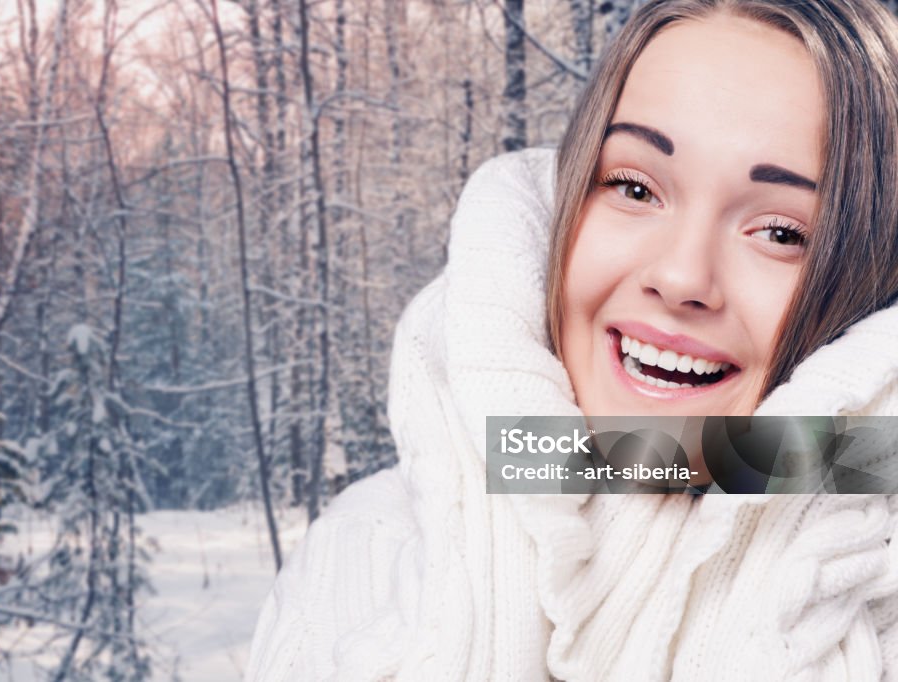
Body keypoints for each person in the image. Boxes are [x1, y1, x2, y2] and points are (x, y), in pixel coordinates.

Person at [247, 0, 898, 679]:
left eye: (783, 233)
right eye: (635, 187)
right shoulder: (358, 556)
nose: (680, 277)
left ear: (875, 279)